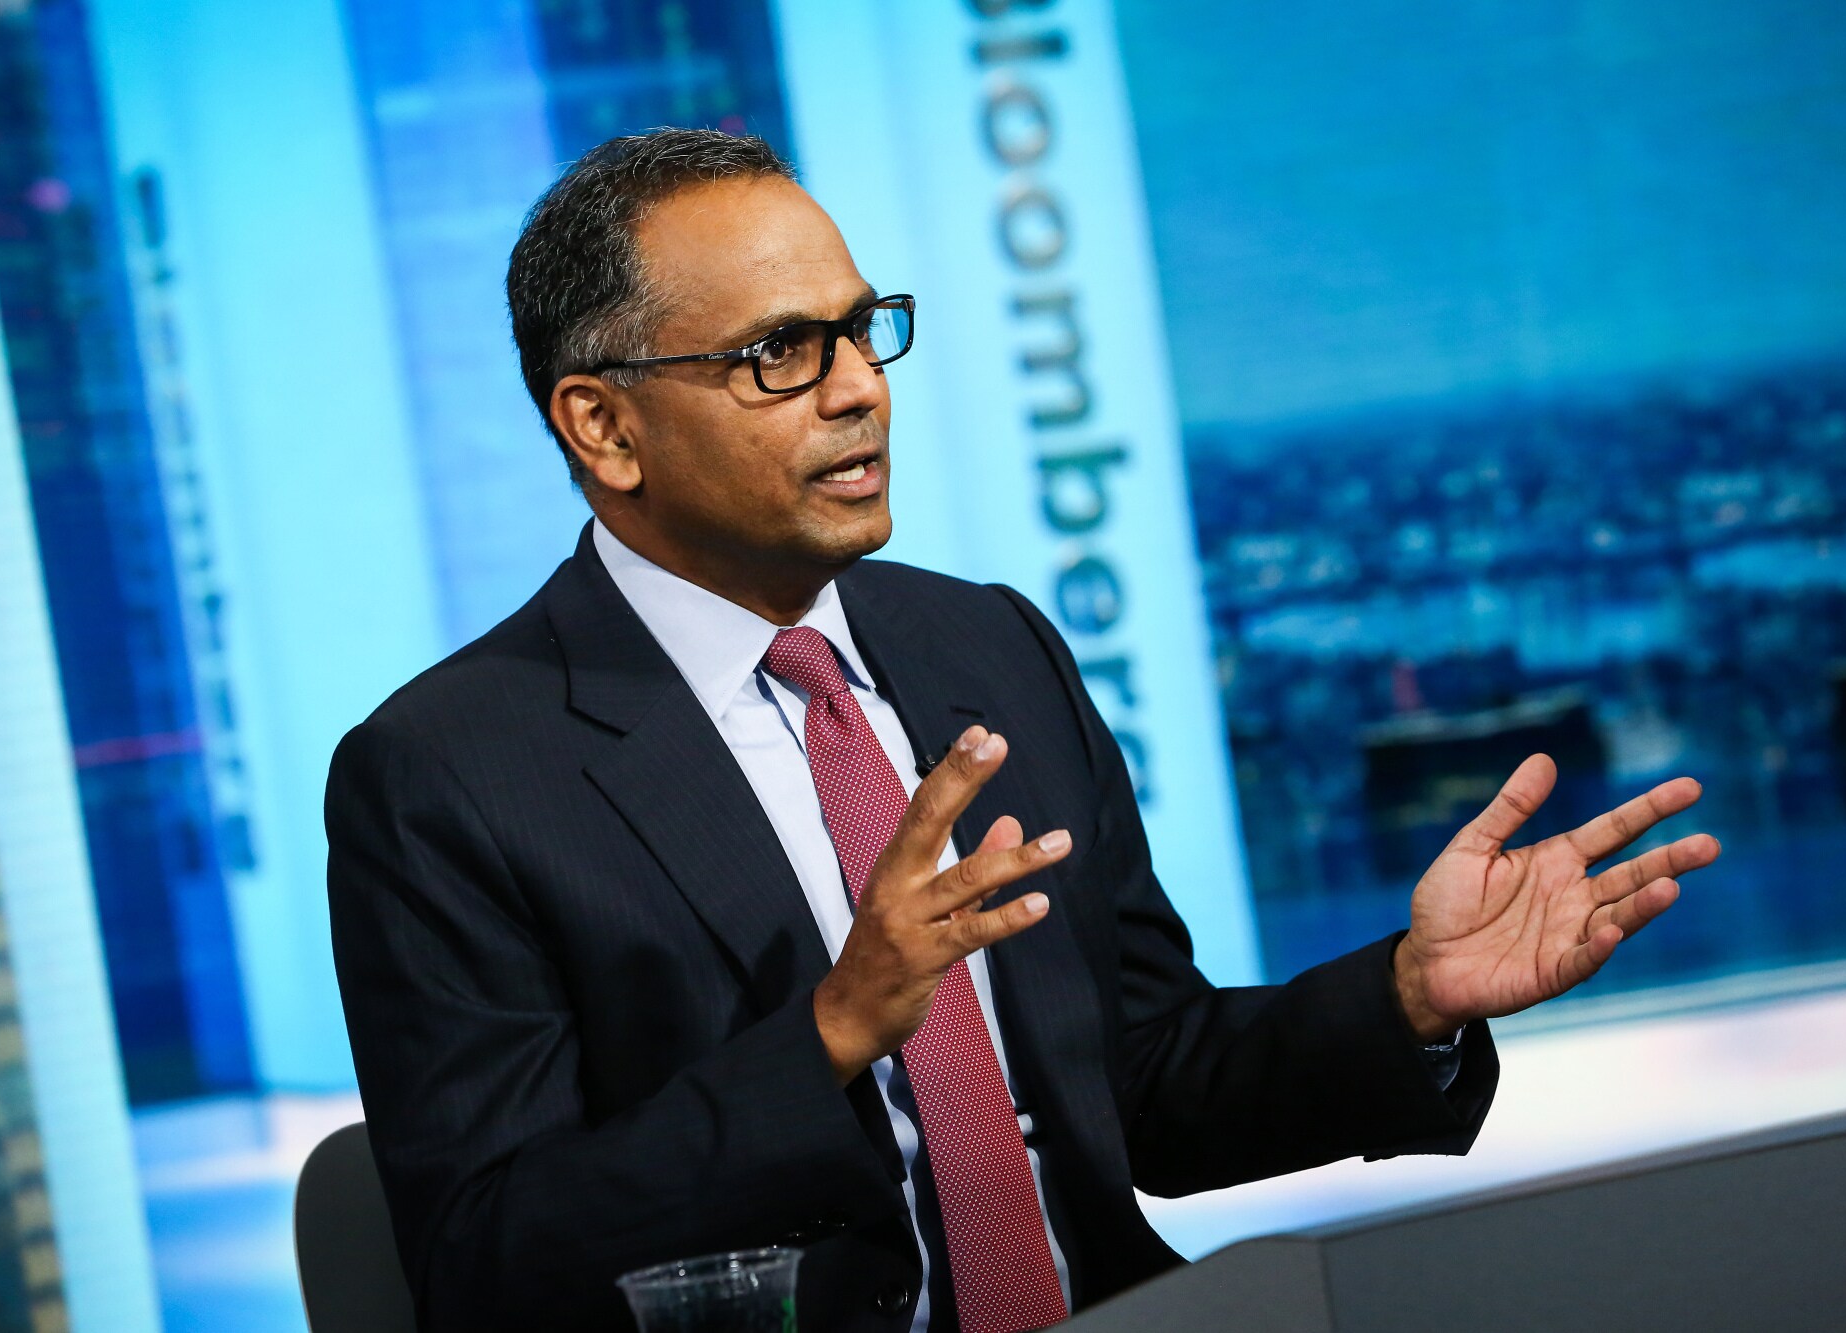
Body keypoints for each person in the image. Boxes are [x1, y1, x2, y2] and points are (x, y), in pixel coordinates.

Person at [325, 129, 1719, 1333]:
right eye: (778, 354)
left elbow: (1148, 1085)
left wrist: (1410, 995)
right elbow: (489, 1261)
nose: (858, 387)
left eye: (862, 329)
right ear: (604, 427)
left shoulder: (987, 646)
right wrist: (831, 1032)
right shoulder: (448, 776)